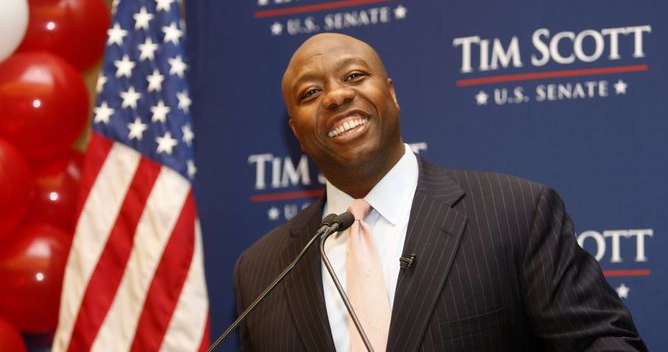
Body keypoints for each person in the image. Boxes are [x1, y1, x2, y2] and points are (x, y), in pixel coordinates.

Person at [232, 33, 647, 351]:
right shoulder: (260, 271)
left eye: (354, 76)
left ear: (391, 93)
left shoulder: (516, 214)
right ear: (296, 134)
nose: (337, 95)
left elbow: (602, 343)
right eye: (311, 93)